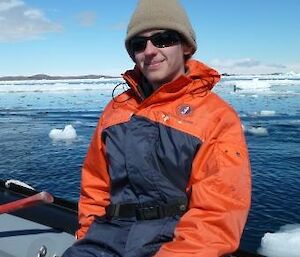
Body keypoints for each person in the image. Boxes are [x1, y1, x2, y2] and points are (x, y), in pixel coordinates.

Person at [62, 0, 251, 256]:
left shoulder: (216, 116)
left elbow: (217, 214)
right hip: (106, 238)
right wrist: (87, 238)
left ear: (185, 46)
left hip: (173, 242)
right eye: (139, 44)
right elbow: (95, 186)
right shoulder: (116, 110)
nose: (149, 51)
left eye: (163, 39)